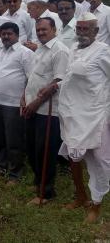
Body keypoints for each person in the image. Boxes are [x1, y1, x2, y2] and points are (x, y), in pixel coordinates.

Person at [56, 12, 110, 223]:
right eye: (78, 28)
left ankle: (96, 205)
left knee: (100, 161)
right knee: (73, 155)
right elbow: (69, 76)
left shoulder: (103, 51)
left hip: (95, 115)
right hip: (72, 113)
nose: (81, 32)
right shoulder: (74, 49)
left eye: (85, 29)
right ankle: (80, 196)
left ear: (96, 31)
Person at [22, 17, 69, 205]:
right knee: (32, 148)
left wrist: (36, 102)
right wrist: (24, 98)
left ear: (54, 30)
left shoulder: (60, 51)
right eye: (38, 30)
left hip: (48, 110)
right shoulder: (39, 49)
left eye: (44, 30)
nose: (41, 33)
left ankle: (46, 192)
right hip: (32, 107)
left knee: (45, 151)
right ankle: (37, 182)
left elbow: (58, 81)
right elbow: (33, 77)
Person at [0, 22, 34, 184]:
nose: (6, 37)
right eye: (3, 34)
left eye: (9, 34)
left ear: (17, 35)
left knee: (14, 140)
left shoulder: (25, 53)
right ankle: (1, 167)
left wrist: (24, 98)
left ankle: (15, 173)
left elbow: (31, 78)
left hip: (14, 103)